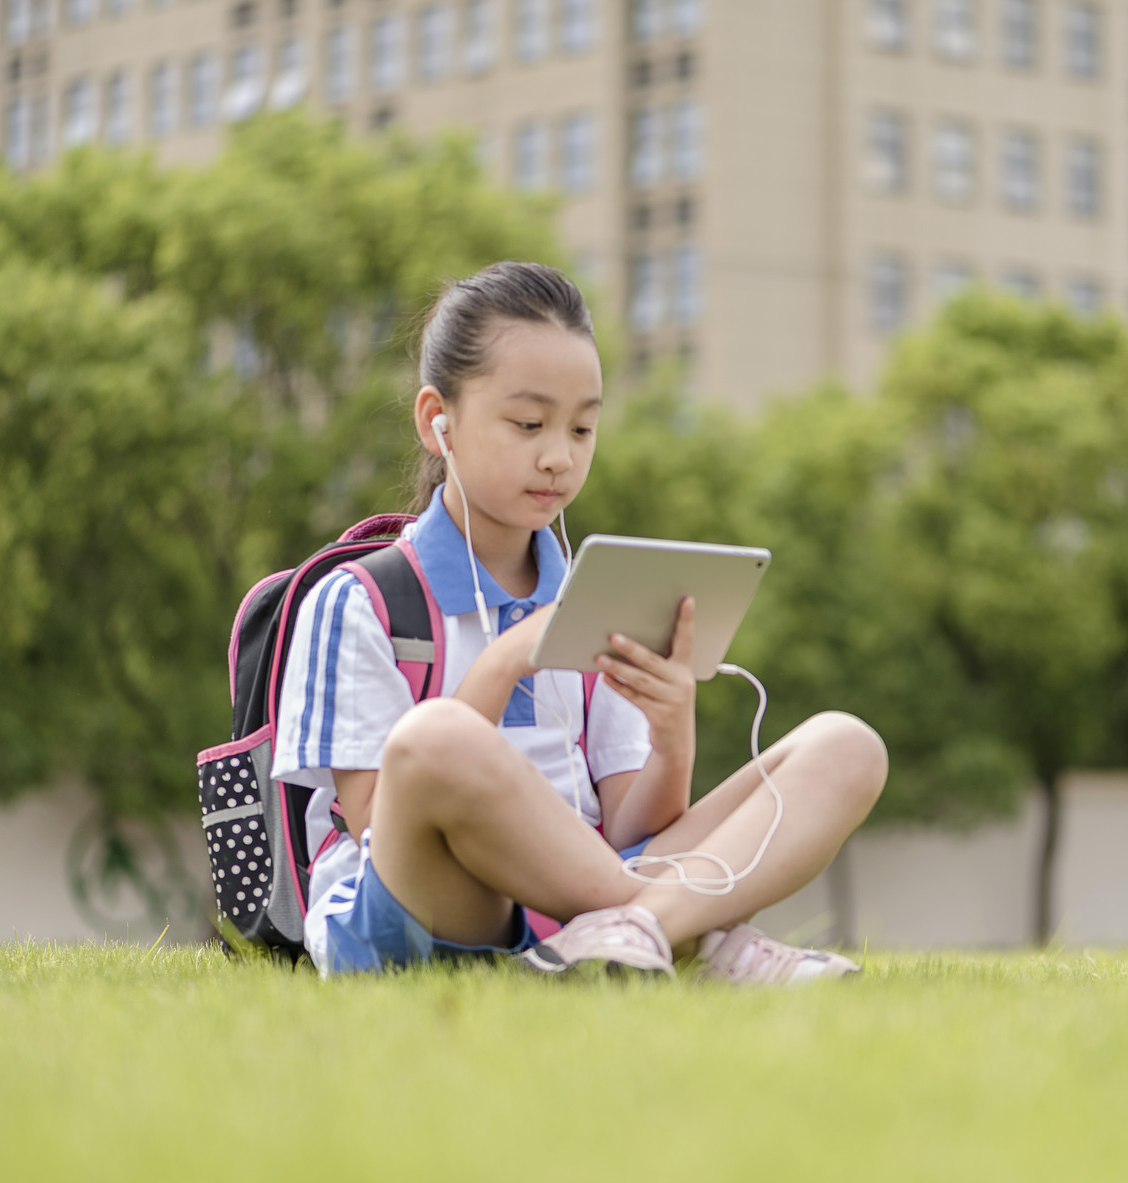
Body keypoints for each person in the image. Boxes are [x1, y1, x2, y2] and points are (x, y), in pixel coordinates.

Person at [271, 261, 887, 983]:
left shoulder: (596, 594)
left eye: (583, 426)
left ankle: (636, 929)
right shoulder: (362, 599)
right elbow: (381, 819)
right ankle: (695, 931)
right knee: (434, 737)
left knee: (847, 747)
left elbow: (628, 825)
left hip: (576, 900)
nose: (559, 456)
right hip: (423, 908)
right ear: (437, 420)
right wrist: (506, 662)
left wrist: (673, 734)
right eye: (528, 423)